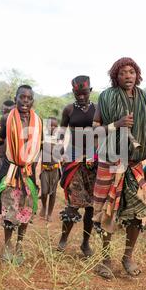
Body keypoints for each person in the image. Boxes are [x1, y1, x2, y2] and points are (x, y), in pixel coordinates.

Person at [92, 57, 146, 278]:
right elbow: (95, 129)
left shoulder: (144, 97)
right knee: (107, 211)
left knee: (137, 211)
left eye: (131, 72)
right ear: (115, 76)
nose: (128, 76)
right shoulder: (106, 97)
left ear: (137, 75)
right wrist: (116, 124)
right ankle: (106, 258)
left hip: (135, 163)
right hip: (111, 161)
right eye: (122, 73)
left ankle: (127, 256)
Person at [0, 85, 42, 265]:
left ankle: (20, 245)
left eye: (29, 98)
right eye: (22, 97)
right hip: (10, 171)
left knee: (25, 210)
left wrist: (35, 173)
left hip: (28, 173)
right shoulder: (7, 118)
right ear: (15, 98)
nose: (25, 101)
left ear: (32, 101)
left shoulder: (38, 121)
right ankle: (7, 245)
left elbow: (38, 147)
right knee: (8, 209)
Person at [57, 76, 97, 258]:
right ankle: (63, 239)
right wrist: (59, 148)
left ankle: (85, 243)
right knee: (73, 203)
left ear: (90, 90)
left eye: (84, 93)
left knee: (91, 206)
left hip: (93, 161)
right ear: (73, 92)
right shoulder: (68, 109)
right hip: (73, 158)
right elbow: (62, 130)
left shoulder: (97, 109)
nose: (81, 96)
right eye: (77, 93)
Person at [39, 117, 61, 222]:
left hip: (55, 169)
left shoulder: (59, 139)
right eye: (50, 126)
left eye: (55, 126)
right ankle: (44, 206)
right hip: (44, 169)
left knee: (53, 193)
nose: (52, 128)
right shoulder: (42, 139)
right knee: (44, 192)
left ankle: (50, 214)